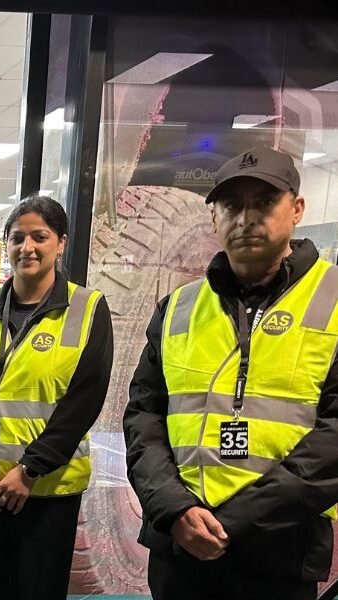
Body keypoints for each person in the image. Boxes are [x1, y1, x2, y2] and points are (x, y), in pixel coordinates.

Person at [124, 147, 338, 600]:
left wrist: (236, 520)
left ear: (296, 209)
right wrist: (174, 508)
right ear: (214, 218)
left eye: (263, 202)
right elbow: (144, 416)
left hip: (278, 551)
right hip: (179, 546)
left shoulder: (333, 299)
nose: (246, 218)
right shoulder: (179, 308)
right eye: (231, 205)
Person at [0, 196, 113, 600]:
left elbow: (82, 403)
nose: (27, 248)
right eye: (17, 238)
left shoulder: (86, 310)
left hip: (46, 492)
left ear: (61, 242)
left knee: (38, 591)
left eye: (40, 237)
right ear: (6, 244)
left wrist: (29, 470)